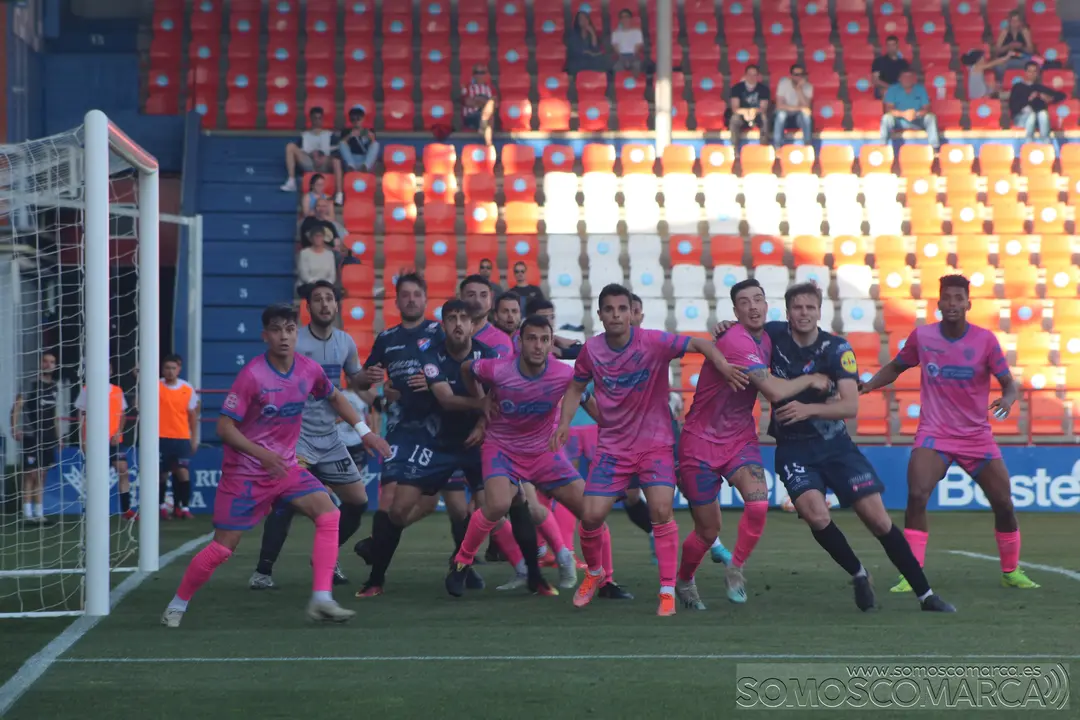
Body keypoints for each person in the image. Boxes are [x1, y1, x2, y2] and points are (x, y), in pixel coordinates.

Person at [160, 303, 390, 628]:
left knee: (329, 514)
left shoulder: (308, 369)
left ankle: (322, 599)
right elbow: (224, 428)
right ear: (265, 336)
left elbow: (335, 396)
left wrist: (364, 432)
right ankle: (178, 603)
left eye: (290, 329)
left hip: (285, 469)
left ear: (297, 333)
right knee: (223, 549)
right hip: (246, 474)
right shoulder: (252, 375)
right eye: (277, 330)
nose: (284, 336)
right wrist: (262, 454)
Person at [738, 282, 954, 613]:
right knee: (815, 514)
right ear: (788, 312)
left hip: (835, 446)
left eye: (810, 307)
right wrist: (727, 325)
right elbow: (744, 333)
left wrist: (808, 409)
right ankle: (858, 573)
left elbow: (850, 405)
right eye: (798, 308)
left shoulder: (837, 349)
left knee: (878, 520)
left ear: (820, 311)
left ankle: (926, 595)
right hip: (794, 449)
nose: (804, 313)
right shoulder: (773, 335)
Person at [551, 283, 748, 616]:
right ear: (599, 315)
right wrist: (564, 423)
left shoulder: (654, 341)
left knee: (660, 511)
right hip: (613, 447)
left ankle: (667, 590)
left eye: (621, 309)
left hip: (655, 445)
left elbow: (698, 342)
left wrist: (725, 367)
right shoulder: (592, 351)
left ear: (631, 313)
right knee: (591, 516)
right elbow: (575, 388)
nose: (616, 315)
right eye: (609, 310)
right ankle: (595, 573)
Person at [859, 274, 1039, 592]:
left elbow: (1009, 384)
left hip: (976, 436)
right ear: (938, 303)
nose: (953, 303)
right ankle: (911, 574)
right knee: (916, 496)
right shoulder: (923, 337)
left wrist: (1008, 400)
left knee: (1004, 503)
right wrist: (871, 384)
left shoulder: (985, 340)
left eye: (959, 298)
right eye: (947, 298)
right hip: (934, 433)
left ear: (968, 303)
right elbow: (897, 366)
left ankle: (1011, 571)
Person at [676, 280, 831, 609]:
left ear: (767, 303)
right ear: (735, 311)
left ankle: (736, 569)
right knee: (707, 530)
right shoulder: (734, 339)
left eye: (758, 299)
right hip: (699, 443)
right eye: (744, 303)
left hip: (739, 439)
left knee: (759, 504)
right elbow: (773, 391)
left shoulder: (772, 333)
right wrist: (811, 380)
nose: (753, 306)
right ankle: (685, 579)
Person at [360, 299, 506, 596]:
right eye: (451, 318)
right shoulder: (429, 353)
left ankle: (464, 566)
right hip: (434, 441)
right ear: (443, 324)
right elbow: (446, 399)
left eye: (462, 318)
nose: (457, 323)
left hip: (474, 442)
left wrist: (481, 423)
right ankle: (377, 573)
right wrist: (481, 405)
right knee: (399, 508)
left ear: (472, 322)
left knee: (483, 509)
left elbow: (499, 397)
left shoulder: (488, 354)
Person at [448, 315, 600, 597]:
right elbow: (467, 368)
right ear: (519, 342)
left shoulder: (564, 374)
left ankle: (603, 578)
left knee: (592, 512)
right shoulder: (498, 369)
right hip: (501, 449)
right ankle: (461, 562)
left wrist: (613, 429)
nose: (538, 346)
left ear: (551, 343)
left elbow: (586, 397)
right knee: (497, 505)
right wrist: (480, 401)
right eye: (531, 338)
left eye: (544, 339)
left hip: (543, 452)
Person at [249, 282, 379, 590]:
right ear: (308, 307)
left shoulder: (345, 342)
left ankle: (327, 557)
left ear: (337, 306)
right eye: (317, 299)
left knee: (358, 501)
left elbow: (355, 380)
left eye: (329, 299)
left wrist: (367, 377)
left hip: (330, 437)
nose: (324, 304)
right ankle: (263, 571)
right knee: (286, 501)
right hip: (296, 437)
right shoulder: (295, 339)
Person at [74, 362, 132, 519]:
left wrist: (118, 431)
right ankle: (93, 509)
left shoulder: (117, 390)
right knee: (96, 475)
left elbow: (122, 414)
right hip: (94, 439)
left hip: (114, 439)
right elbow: (82, 415)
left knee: (123, 470)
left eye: (108, 368)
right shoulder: (87, 390)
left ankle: (126, 510)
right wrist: (84, 438)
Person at [11, 351, 60, 524]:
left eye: (52, 361)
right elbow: (17, 406)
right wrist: (15, 427)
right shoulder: (31, 383)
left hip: (48, 436)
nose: (49, 364)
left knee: (42, 475)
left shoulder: (54, 386)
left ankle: (39, 513)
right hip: (31, 435)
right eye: (46, 361)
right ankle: (27, 513)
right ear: (40, 363)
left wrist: (58, 436)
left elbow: (54, 413)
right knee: (30, 474)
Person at [158, 354, 199, 521]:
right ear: (162, 369)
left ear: (179, 370)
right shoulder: (155, 386)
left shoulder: (187, 388)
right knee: (162, 474)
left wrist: (194, 438)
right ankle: (161, 506)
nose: (170, 371)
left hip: (181, 436)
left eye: (173, 368)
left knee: (183, 472)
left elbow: (193, 415)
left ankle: (183, 506)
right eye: (167, 368)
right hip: (160, 436)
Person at [281, 106, 339, 192]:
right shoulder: (304, 135)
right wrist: (311, 155)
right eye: (315, 118)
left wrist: (323, 157)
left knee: (335, 160)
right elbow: (299, 153)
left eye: (319, 118)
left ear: (322, 119)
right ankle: (291, 181)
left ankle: (338, 191)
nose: (317, 121)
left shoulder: (330, 135)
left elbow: (337, 152)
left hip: (324, 163)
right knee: (290, 146)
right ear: (311, 119)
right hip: (309, 163)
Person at [881, 70, 940, 150]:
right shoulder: (893, 89)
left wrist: (916, 114)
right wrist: (904, 114)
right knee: (886, 118)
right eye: (905, 77)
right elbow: (888, 109)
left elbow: (927, 108)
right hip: (899, 121)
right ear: (900, 79)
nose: (907, 80)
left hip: (917, 120)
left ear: (913, 79)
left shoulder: (920, 89)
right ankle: (883, 148)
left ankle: (935, 148)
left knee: (931, 117)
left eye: (910, 78)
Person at [1008, 61, 1065, 143]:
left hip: (1038, 120)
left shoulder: (1039, 88)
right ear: (1025, 72)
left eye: (1034, 71)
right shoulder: (1017, 87)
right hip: (1021, 118)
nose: (1032, 74)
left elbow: (1061, 95)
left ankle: (1045, 143)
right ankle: (1029, 143)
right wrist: (1028, 100)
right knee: (1031, 115)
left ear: (1037, 73)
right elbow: (1013, 107)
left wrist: (1049, 98)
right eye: (1030, 71)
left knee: (1043, 114)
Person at [334, 105, 379, 204]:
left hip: (365, 160)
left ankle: (365, 167)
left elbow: (373, 148)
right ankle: (351, 167)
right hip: (351, 159)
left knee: (375, 144)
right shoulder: (346, 132)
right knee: (342, 143)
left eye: (358, 119)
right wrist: (350, 136)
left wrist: (371, 139)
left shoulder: (369, 131)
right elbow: (341, 146)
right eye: (353, 119)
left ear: (363, 119)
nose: (356, 122)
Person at [461, 274, 513, 356]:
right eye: (471, 295)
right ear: (460, 298)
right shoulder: (449, 335)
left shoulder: (500, 340)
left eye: (483, 295)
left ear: (491, 300)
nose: (477, 300)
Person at [727, 65, 770, 151]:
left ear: (758, 76)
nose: (752, 77)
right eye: (749, 74)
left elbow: (763, 108)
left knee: (764, 118)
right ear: (745, 75)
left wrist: (753, 111)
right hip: (742, 115)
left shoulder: (763, 89)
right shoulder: (736, 88)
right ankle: (734, 150)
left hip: (756, 115)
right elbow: (735, 108)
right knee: (734, 119)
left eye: (754, 75)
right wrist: (746, 112)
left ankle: (763, 148)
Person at [773, 64, 813, 147]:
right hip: (786, 116)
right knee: (781, 114)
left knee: (806, 116)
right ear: (791, 75)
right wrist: (800, 108)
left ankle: (807, 145)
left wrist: (799, 89)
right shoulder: (783, 84)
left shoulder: (808, 86)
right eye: (796, 75)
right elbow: (779, 106)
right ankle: (777, 146)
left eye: (801, 75)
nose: (799, 77)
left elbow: (807, 108)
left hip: (799, 118)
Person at [296, 225, 338, 298]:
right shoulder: (304, 253)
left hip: (325, 285)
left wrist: (324, 284)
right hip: (308, 285)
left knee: (337, 294)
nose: (318, 238)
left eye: (320, 236)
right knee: (313, 292)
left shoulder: (329, 254)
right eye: (316, 236)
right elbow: (304, 275)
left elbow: (332, 275)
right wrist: (316, 283)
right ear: (311, 238)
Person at [461, 64, 497, 147]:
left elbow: (495, 104)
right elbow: (467, 102)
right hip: (471, 116)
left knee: (490, 110)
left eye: (482, 72)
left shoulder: (490, 88)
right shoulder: (467, 87)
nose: (479, 75)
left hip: (486, 115)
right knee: (489, 113)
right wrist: (485, 102)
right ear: (473, 75)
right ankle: (489, 145)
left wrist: (477, 101)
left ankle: (488, 143)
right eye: (477, 72)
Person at [610, 9, 644, 74]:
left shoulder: (637, 32)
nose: (625, 19)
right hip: (621, 56)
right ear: (620, 20)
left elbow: (638, 47)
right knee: (616, 69)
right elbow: (615, 47)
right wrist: (622, 57)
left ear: (630, 19)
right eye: (622, 17)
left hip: (634, 56)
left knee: (636, 67)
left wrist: (630, 58)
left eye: (627, 17)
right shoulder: (615, 33)